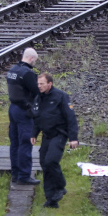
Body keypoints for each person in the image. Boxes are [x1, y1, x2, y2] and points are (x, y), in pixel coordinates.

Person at [30, 72, 79, 208]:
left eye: (42, 84)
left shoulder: (61, 96)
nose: (39, 86)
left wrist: (73, 138)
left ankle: (60, 186)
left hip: (59, 134)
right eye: (38, 84)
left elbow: (71, 118)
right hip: (46, 135)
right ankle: (51, 198)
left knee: (51, 161)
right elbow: (37, 117)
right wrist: (33, 134)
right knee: (44, 164)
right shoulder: (38, 97)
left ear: (49, 84)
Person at [6, 47, 41, 186]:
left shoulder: (12, 70)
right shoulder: (27, 74)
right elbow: (37, 91)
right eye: (35, 61)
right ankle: (24, 175)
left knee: (14, 142)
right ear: (31, 58)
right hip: (24, 111)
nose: (35, 63)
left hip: (13, 108)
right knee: (25, 142)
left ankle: (15, 173)